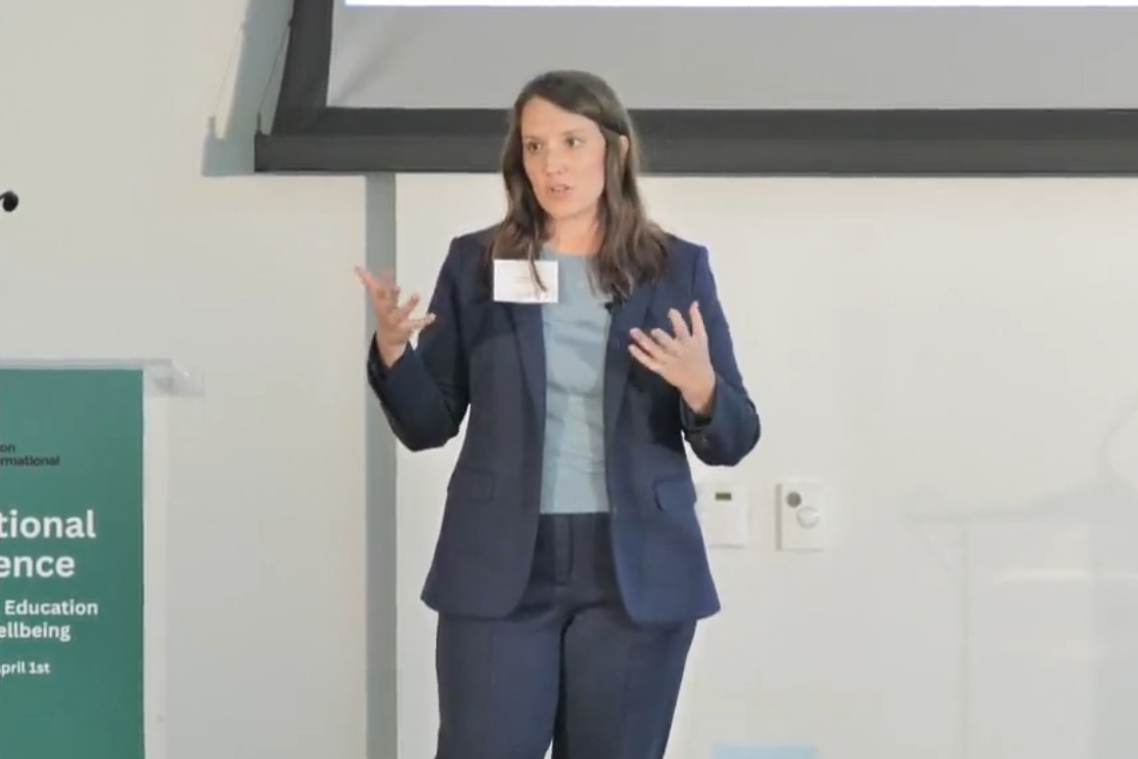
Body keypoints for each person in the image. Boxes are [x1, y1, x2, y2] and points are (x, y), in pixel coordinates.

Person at [357, 69, 761, 759]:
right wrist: (395, 353)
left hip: (634, 568)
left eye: (572, 142)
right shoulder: (478, 263)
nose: (553, 164)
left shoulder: (675, 268)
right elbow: (429, 425)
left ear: (614, 149)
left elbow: (735, 435)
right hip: (500, 561)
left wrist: (702, 388)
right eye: (535, 146)